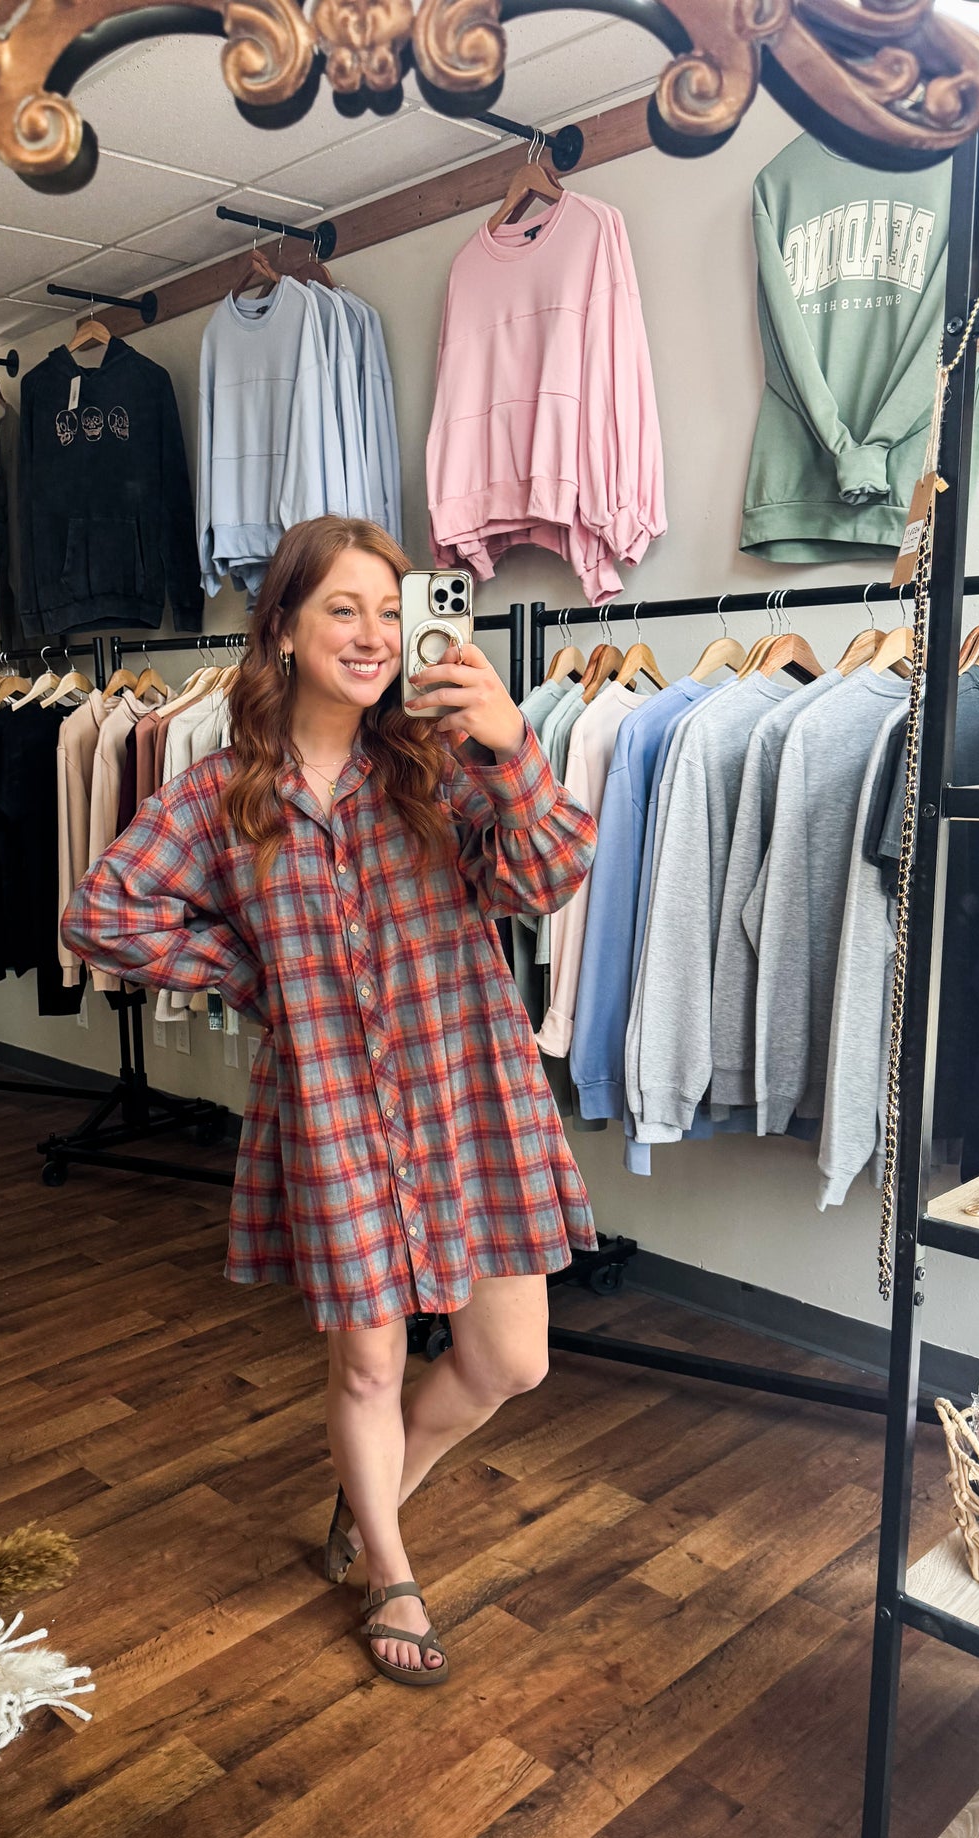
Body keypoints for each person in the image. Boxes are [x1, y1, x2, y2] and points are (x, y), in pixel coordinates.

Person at [61, 515, 599, 1687]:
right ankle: (390, 1571)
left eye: (387, 611)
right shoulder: (218, 797)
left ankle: (369, 1503)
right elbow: (102, 913)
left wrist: (511, 744)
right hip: (334, 1109)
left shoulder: (440, 763)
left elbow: (548, 874)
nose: (371, 635)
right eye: (341, 610)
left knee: (511, 1360)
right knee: (362, 1366)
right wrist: (248, 971)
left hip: (471, 1090)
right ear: (285, 631)